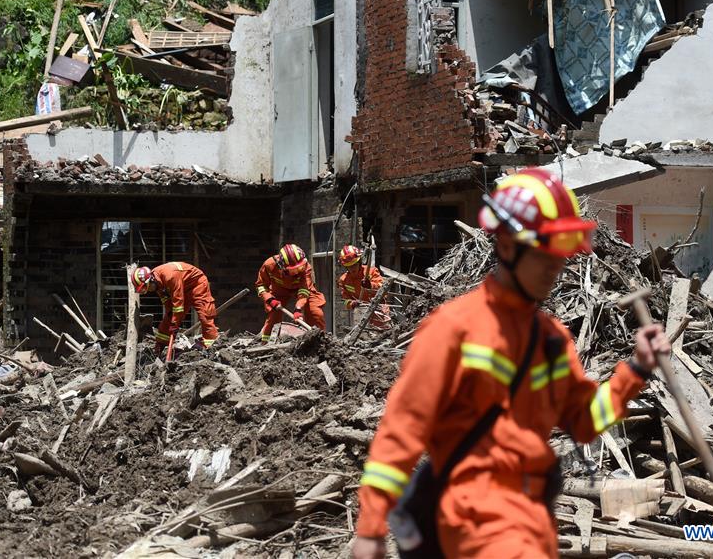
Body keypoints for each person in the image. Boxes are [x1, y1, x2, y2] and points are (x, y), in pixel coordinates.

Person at [352, 168, 670, 559]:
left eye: (560, 249)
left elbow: (585, 420)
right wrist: (370, 529)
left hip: (531, 524)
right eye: (543, 249)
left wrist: (635, 371)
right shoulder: (453, 330)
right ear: (506, 246)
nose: (555, 264)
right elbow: (401, 432)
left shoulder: (550, 340)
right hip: (470, 527)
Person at [131, 262, 218, 354]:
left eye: (147, 288)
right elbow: (168, 305)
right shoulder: (157, 282)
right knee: (169, 317)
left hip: (196, 284)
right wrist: (171, 319)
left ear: (150, 280)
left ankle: (211, 346)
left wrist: (175, 323)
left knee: (205, 314)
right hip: (182, 288)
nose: (148, 291)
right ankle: (159, 347)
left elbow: (178, 306)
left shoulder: (170, 276)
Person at [255, 244, 326, 342]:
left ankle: (320, 341)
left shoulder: (306, 268)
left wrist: (298, 309)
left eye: (300, 268)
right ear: (282, 266)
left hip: (302, 289)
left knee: (315, 313)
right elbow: (261, 285)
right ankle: (266, 342)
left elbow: (304, 291)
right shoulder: (269, 265)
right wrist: (269, 299)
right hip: (279, 290)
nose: (297, 272)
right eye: (293, 270)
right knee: (273, 316)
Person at [337, 245, 390, 329]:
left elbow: (383, 288)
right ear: (345, 266)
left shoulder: (371, 272)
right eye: (349, 266)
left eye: (354, 265)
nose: (352, 268)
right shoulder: (344, 280)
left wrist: (370, 285)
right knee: (362, 336)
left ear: (359, 262)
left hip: (378, 310)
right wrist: (352, 304)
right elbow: (345, 300)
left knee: (383, 335)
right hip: (360, 313)